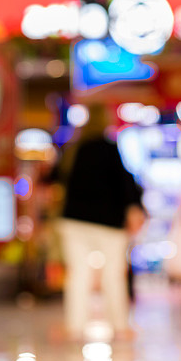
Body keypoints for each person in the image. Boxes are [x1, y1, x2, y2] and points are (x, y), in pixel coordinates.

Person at [58, 109, 145, 341]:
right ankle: (120, 327)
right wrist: (135, 208)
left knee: (78, 275)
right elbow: (125, 183)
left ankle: (74, 328)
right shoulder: (109, 148)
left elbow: (57, 180)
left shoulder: (73, 149)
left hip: (74, 220)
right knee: (113, 275)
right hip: (108, 223)